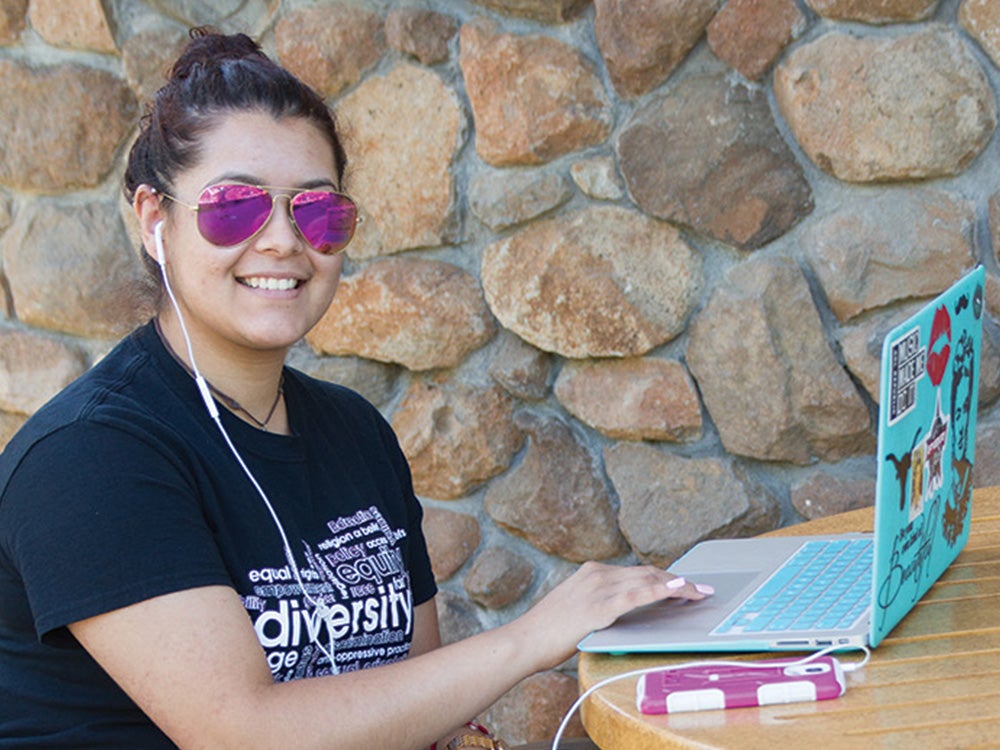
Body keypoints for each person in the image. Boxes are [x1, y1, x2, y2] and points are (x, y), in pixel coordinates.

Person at [0, 28, 712, 750]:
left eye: (318, 211)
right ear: (157, 221)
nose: (283, 239)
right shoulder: (87, 459)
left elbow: (415, 699)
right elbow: (243, 735)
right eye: (235, 207)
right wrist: (536, 634)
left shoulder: (352, 431)